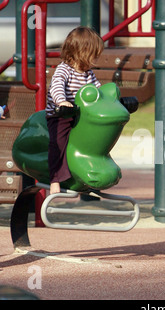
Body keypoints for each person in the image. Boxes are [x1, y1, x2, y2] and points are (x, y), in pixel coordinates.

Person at [45, 26, 104, 194]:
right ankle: (55, 178)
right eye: (94, 54)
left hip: (79, 116)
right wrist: (61, 101)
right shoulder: (65, 70)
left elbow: (98, 92)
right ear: (82, 52)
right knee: (59, 142)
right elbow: (56, 86)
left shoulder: (89, 74)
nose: (97, 58)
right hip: (60, 115)